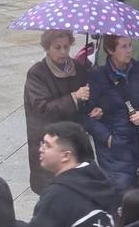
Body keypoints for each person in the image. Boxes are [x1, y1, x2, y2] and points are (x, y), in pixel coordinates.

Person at [85, 36, 139, 192]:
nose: (129, 50)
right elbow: (86, 116)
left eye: (130, 45)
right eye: (123, 47)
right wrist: (107, 138)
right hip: (114, 149)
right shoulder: (98, 77)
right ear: (110, 50)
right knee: (120, 195)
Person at [23, 29, 90, 195]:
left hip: (72, 143)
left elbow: (85, 106)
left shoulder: (79, 69)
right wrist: (73, 97)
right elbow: (42, 108)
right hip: (48, 142)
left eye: (66, 47)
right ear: (47, 48)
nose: (63, 52)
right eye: (57, 47)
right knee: (52, 193)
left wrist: (91, 107)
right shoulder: (37, 74)